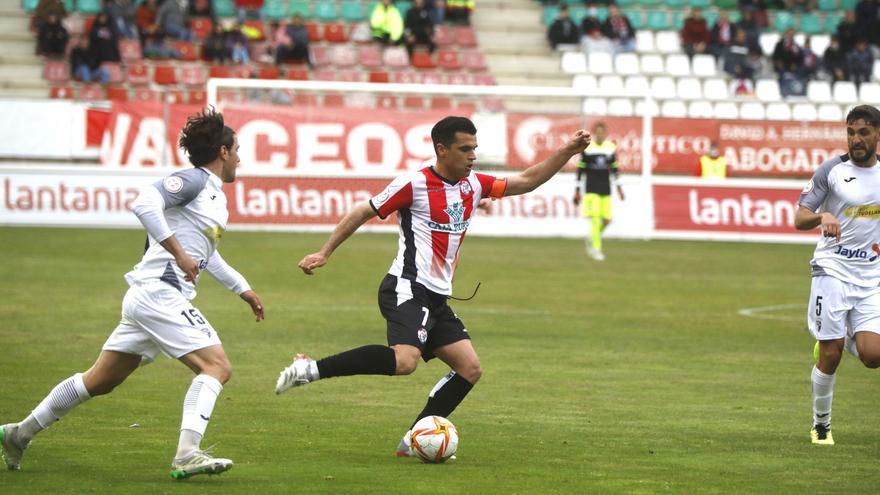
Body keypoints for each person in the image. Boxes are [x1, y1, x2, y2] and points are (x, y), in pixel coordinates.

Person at [274, 117, 591, 457]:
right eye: (464, 149)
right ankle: (310, 368)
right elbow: (362, 211)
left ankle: (413, 440)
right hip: (407, 287)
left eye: (474, 148)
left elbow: (528, 180)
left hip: (437, 296)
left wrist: (568, 150)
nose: (472, 156)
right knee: (404, 361)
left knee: (469, 369)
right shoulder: (415, 184)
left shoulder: (474, 185)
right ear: (442, 149)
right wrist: (325, 252)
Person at [0, 109, 265, 479]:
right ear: (222, 152)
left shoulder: (215, 198)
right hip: (160, 293)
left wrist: (243, 289)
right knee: (217, 367)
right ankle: (187, 454)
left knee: (99, 380)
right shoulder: (192, 181)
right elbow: (143, 204)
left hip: (151, 297)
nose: (240, 157)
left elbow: (208, 254)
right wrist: (179, 253)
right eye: (237, 149)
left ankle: (18, 433)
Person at [794, 104, 880, 446]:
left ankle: (844, 335)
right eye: (850, 132)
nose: (855, 140)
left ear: (877, 134)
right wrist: (821, 218)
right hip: (832, 270)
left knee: (873, 357)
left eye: (863, 132)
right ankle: (821, 425)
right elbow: (800, 217)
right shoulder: (832, 170)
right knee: (829, 354)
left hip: (871, 277)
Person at [573, 122, 623, 261]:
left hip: (606, 189)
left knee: (607, 220)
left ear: (605, 134)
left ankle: (591, 238)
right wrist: (577, 190)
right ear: (595, 134)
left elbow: (614, 169)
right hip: (591, 189)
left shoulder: (610, 148)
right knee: (595, 220)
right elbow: (580, 170)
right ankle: (596, 249)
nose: (600, 135)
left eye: (602, 132)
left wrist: (619, 188)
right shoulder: (588, 149)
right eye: (598, 132)